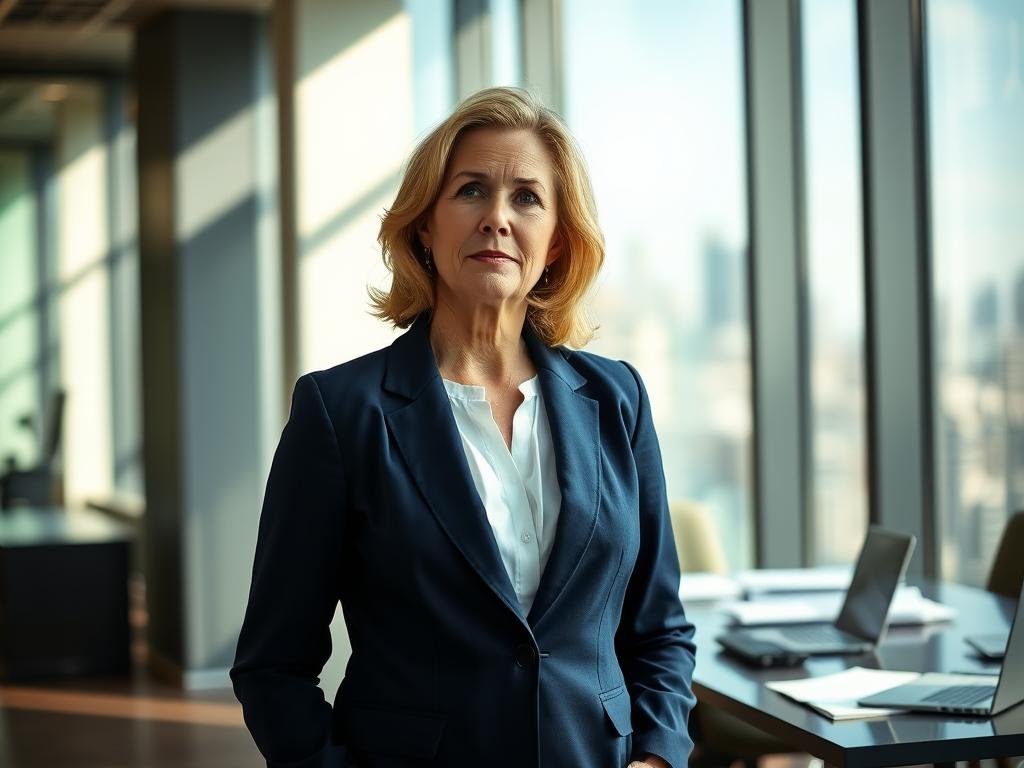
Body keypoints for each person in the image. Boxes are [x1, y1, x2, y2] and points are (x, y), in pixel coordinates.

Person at [231, 86, 696, 768]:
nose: (498, 219)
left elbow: (660, 631)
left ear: (559, 240)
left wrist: (656, 757)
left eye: (527, 198)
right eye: (472, 191)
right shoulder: (341, 412)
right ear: (425, 225)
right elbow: (273, 666)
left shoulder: (618, 398)